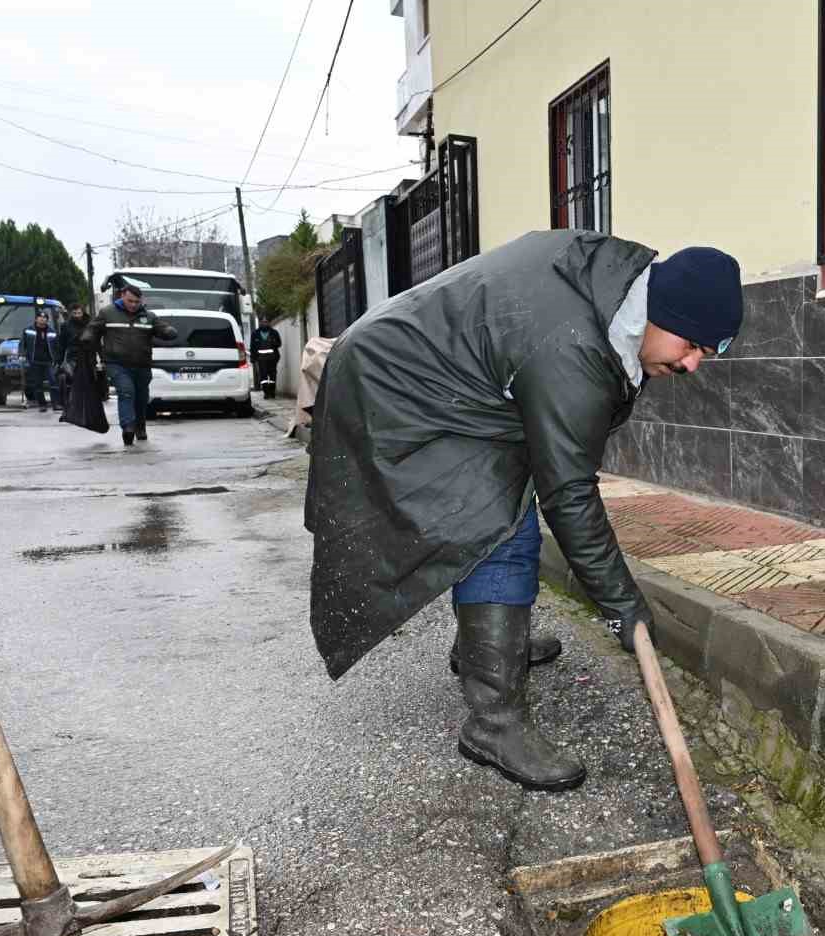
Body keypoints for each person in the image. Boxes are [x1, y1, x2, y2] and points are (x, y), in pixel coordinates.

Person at [306, 230, 742, 792]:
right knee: (495, 526)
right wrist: (622, 609)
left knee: (505, 501)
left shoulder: (610, 289)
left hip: (436, 373)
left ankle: (487, 648)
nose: (693, 364)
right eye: (692, 345)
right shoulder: (572, 344)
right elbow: (570, 494)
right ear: (663, 311)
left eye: (709, 353)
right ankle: (494, 722)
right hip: (392, 385)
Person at [83, 282, 177, 446]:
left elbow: (161, 328)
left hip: (142, 365)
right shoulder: (107, 313)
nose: (133, 305)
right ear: (122, 297)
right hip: (117, 364)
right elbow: (93, 328)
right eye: (130, 301)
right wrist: (88, 337)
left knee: (141, 398)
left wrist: (168, 331)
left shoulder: (149, 316)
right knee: (126, 392)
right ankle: (128, 428)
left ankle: (140, 426)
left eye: (136, 302)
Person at [22, 311, 59, 412]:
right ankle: (42, 405)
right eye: (40, 317)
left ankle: (56, 404)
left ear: (47, 320)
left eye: (44, 318)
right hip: (34, 361)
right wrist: (22, 355)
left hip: (48, 362)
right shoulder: (28, 331)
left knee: (53, 382)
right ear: (36, 319)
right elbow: (23, 344)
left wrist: (57, 358)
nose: (42, 319)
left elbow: (57, 346)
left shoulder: (52, 332)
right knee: (38, 384)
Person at [57, 304, 91, 411]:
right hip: (73, 356)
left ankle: (85, 403)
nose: (77, 315)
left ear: (83, 312)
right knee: (72, 379)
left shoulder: (89, 324)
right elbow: (62, 344)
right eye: (74, 313)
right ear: (71, 313)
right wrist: (59, 361)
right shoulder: (66, 326)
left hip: (88, 356)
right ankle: (71, 403)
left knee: (87, 381)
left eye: (79, 313)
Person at [249, 316, 281, 400]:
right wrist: (252, 358)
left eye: (266, 322)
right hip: (261, 359)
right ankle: (266, 393)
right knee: (263, 376)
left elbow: (279, 343)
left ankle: (272, 392)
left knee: (273, 376)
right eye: (263, 322)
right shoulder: (255, 334)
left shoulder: (274, 332)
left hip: (272, 358)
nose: (264, 323)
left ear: (269, 323)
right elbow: (252, 347)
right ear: (260, 323)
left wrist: (274, 342)